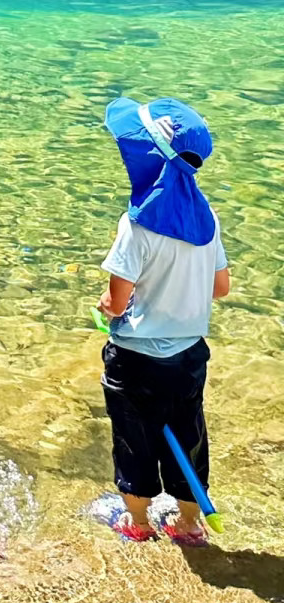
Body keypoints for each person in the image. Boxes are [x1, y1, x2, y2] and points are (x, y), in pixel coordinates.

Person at [96, 96, 229, 546]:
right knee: (188, 437)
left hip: (134, 359)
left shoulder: (136, 225)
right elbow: (220, 287)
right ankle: (188, 523)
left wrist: (107, 306)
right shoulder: (207, 217)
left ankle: (137, 522)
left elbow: (118, 302)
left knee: (133, 440)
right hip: (189, 355)